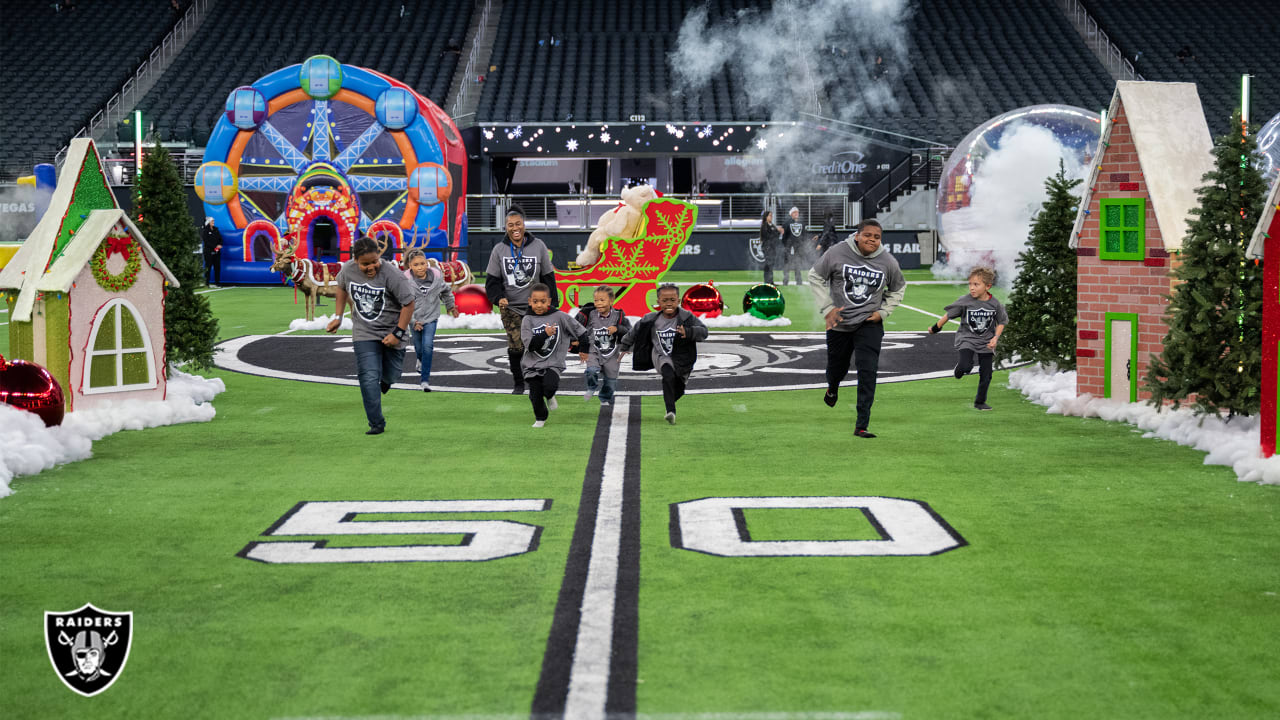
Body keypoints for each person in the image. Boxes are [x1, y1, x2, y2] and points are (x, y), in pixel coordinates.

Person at [808, 219, 906, 438]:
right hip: (839, 323)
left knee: (868, 371)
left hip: (868, 324)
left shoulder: (887, 261)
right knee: (837, 369)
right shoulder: (837, 252)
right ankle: (832, 387)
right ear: (857, 235)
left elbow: (899, 288)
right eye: (868, 235)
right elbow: (814, 276)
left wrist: (883, 312)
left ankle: (861, 424)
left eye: (877, 237)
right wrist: (827, 308)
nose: (872, 240)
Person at [326, 237, 415, 435]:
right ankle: (376, 423)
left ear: (379, 256)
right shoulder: (347, 270)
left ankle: (384, 382)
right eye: (365, 263)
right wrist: (338, 317)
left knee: (391, 376)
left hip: (392, 330)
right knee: (367, 377)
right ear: (355, 260)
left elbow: (408, 304)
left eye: (374, 261)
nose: (371, 266)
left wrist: (397, 334)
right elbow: (341, 287)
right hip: (364, 331)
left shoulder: (393, 274)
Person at [485, 206, 558, 394]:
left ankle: (539, 379)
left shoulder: (539, 245)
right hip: (511, 308)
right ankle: (519, 382)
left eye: (518, 224)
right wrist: (497, 297)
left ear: (524, 225)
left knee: (538, 344)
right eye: (510, 225)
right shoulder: (499, 250)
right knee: (517, 347)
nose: (515, 228)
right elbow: (492, 281)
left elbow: (548, 277)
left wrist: (553, 304)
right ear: (506, 227)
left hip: (537, 307)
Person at [618, 283, 708, 425]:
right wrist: (624, 346)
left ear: (678, 301)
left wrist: (689, 332)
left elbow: (704, 332)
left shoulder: (687, 317)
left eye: (672, 300)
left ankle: (671, 400)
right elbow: (633, 332)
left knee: (678, 388)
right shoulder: (650, 319)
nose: (668, 304)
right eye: (664, 300)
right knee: (668, 373)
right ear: (658, 302)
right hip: (660, 356)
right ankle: (670, 411)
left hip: (682, 358)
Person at [929, 266, 1007, 411]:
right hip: (967, 339)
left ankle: (980, 402)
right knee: (966, 366)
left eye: (976, 285)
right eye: (970, 284)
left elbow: (1001, 321)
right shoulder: (965, 301)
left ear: (988, 286)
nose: (972, 288)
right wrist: (935, 328)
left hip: (986, 342)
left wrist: (995, 338)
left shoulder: (995, 304)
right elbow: (948, 315)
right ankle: (960, 369)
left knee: (987, 374)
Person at [521, 283, 588, 427]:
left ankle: (550, 395)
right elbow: (530, 345)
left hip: (553, 363)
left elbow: (581, 331)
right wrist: (545, 334)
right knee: (535, 395)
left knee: (549, 386)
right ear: (529, 302)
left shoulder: (560, 316)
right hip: (532, 365)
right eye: (535, 301)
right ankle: (540, 418)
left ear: (549, 302)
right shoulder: (527, 320)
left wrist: (584, 349)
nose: (539, 305)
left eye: (543, 301)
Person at [404, 249, 459, 392]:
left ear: (427, 263)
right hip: (414, 320)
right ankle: (420, 359)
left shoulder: (436, 278)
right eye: (416, 265)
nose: (420, 267)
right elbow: (402, 304)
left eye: (423, 263)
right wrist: (412, 321)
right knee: (419, 347)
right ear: (410, 266)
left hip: (431, 318)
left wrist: (450, 305)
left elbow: (446, 291)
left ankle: (425, 380)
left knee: (428, 346)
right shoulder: (405, 282)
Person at [572, 284, 631, 407]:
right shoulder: (590, 314)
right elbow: (578, 328)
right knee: (591, 370)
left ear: (611, 300)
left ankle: (604, 397)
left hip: (612, 353)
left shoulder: (619, 316)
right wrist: (576, 340)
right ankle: (591, 387)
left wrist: (617, 328)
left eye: (602, 300)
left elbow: (629, 331)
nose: (598, 303)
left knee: (611, 382)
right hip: (594, 350)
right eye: (596, 300)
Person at [777, 206, 806, 285]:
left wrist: (801, 244)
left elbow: (803, 235)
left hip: (798, 247)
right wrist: (786, 245)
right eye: (795, 212)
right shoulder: (787, 223)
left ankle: (799, 281)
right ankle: (785, 280)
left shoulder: (802, 223)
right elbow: (784, 236)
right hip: (788, 247)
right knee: (787, 264)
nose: (797, 213)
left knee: (798, 263)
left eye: (797, 212)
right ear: (791, 214)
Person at [759, 209, 782, 285]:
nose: (771, 217)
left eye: (772, 215)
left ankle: (771, 281)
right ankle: (767, 281)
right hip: (767, 247)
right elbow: (768, 236)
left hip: (772, 247)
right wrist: (777, 231)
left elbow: (776, 235)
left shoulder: (772, 225)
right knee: (768, 264)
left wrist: (779, 231)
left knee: (771, 265)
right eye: (770, 215)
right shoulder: (764, 226)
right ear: (766, 217)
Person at [200, 216, 221, 287]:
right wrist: (214, 247)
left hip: (217, 252)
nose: (213, 222)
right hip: (208, 252)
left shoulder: (216, 230)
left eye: (214, 221)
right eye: (212, 221)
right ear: (208, 222)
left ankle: (217, 282)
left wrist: (220, 245)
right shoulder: (205, 231)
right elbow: (207, 242)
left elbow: (220, 239)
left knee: (217, 267)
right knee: (208, 267)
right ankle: (207, 283)